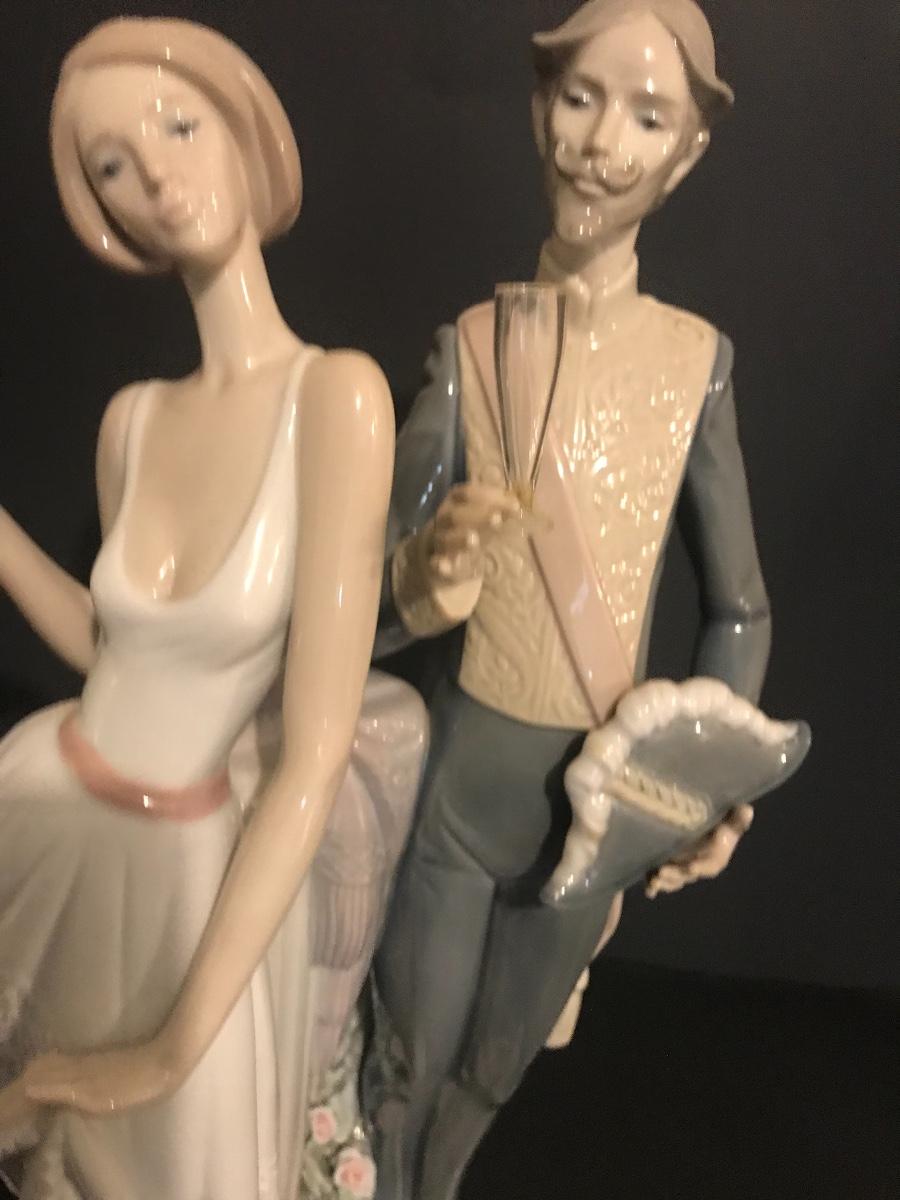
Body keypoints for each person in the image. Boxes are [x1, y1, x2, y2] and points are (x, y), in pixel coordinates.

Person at [0, 18, 424, 1199]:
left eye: (179, 126)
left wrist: (171, 1048)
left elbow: (313, 754)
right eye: (112, 165)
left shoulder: (337, 400)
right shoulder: (131, 421)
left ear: (243, 133)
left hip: (189, 879)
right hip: (52, 818)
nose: (156, 175)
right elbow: (117, 656)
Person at [367, 2, 770, 1196]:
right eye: (581, 98)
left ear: (685, 155)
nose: (602, 143)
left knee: (492, 1069)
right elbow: (364, 599)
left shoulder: (696, 364)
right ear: (541, 108)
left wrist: (702, 780)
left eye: (648, 116)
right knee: (404, 1059)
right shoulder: (469, 349)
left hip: (591, 824)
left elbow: (739, 609)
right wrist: (422, 579)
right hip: (454, 802)